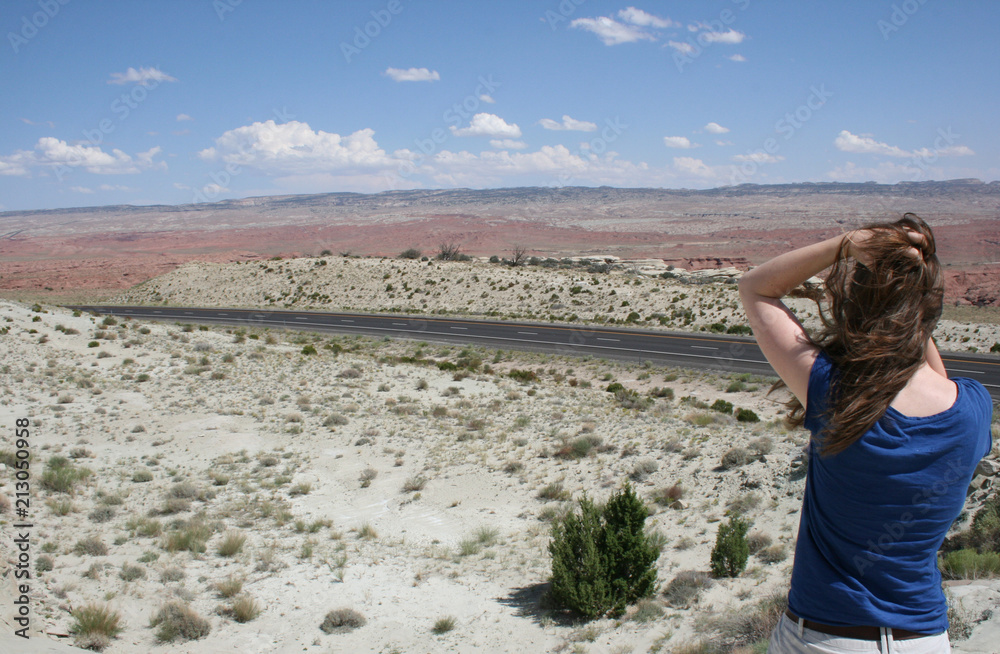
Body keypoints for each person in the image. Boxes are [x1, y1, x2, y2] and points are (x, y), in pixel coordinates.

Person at [737, 214, 993, 654]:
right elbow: (929, 374)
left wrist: (848, 243)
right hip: (923, 640)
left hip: (824, 637)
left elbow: (756, 288)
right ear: (929, 310)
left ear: (854, 307)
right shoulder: (972, 409)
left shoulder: (835, 394)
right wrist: (912, 300)